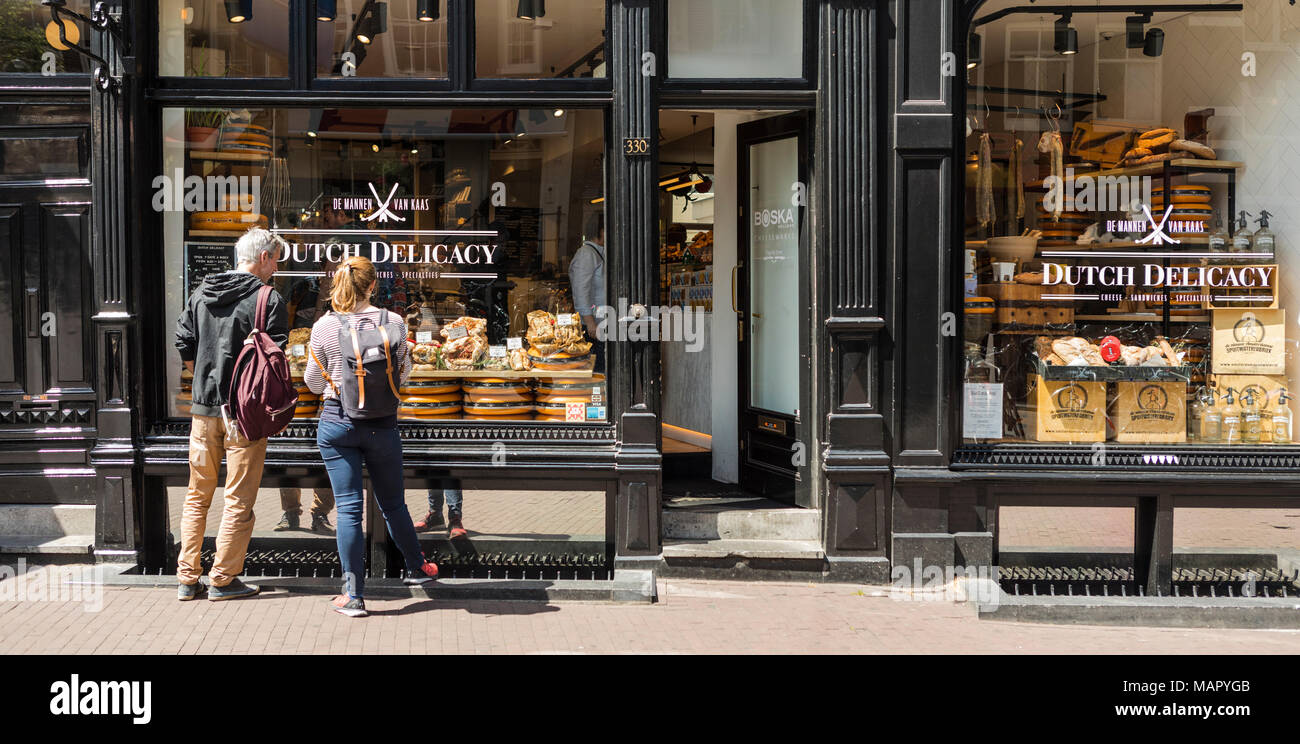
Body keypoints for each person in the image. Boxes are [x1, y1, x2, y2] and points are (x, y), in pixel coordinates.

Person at [305, 256, 439, 618]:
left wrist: (337, 380)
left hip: (337, 422)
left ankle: (353, 595)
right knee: (393, 503)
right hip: (382, 423)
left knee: (349, 509)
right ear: (373, 286)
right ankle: (417, 568)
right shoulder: (393, 322)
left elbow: (313, 384)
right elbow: (405, 376)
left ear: (339, 284)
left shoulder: (323, 327)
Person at [174, 227, 287, 602]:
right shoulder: (268, 299)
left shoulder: (200, 294)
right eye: (276, 260)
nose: (276, 269)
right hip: (245, 414)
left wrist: (205, 376)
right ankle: (223, 579)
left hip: (203, 411)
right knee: (238, 498)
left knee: (196, 494)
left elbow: (184, 346)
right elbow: (277, 361)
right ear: (264, 257)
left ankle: (187, 578)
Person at [568, 213, 606, 373]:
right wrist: (590, 322)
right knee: (596, 371)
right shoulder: (586, 254)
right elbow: (581, 290)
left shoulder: (597, 252)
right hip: (593, 327)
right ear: (602, 231)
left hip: (601, 324)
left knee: (601, 370)